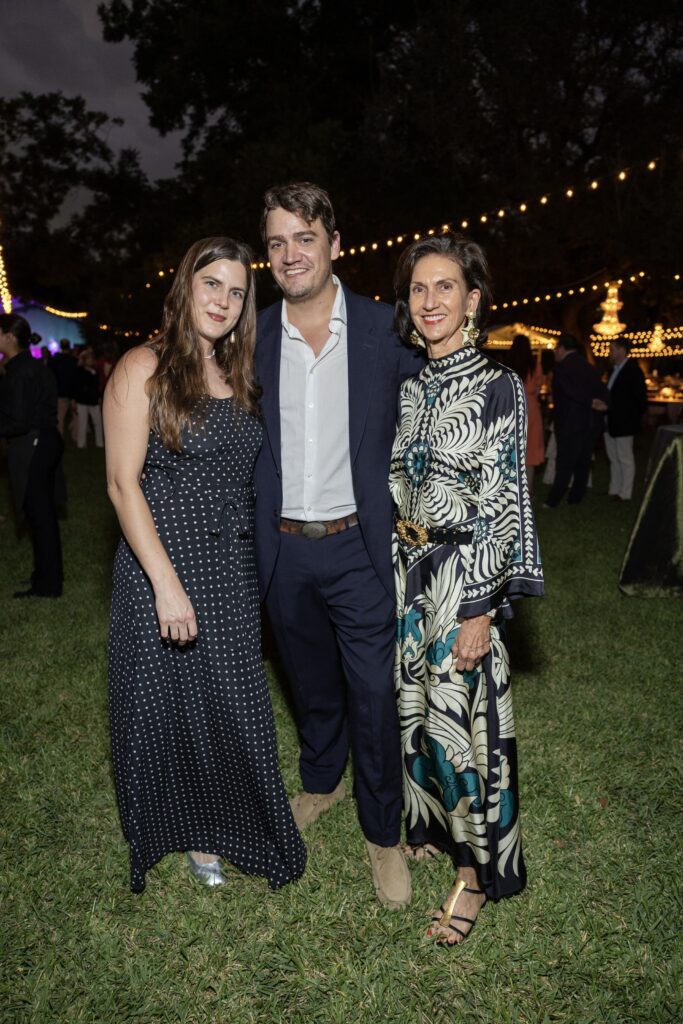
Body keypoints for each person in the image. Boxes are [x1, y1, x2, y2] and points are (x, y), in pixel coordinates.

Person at [104, 236, 306, 893]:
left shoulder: (241, 373)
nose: (222, 299)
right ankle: (188, 832)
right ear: (185, 286)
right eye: (211, 284)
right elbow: (120, 485)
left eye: (236, 290)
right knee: (168, 706)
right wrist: (165, 586)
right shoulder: (144, 365)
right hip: (162, 563)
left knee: (234, 702)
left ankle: (237, 823)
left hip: (231, 566)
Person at [254, 182, 423, 909]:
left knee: (371, 692)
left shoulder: (385, 331)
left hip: (360, 547)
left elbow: (441, 401)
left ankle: (382, 833)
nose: (290, 254)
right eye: (276, 242)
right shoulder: (251, 336)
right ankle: (320, 780)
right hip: (282, 548)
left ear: (335, 243)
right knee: (309, 680)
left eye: (304, 238)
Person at [390, 233, 544, 945]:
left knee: (463, 731)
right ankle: (431, 828)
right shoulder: (410, 386)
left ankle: (476, 877)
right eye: (418, 288)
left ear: (473, 299)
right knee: (418, 715)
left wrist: (481, 606)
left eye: (444, 286)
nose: (429, 301)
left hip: (460, 580)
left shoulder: (496, 386)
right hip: (406, 576)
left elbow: (504, 504)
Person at [0, 313, 64, 597]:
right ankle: (44, 577)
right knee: (42, 515)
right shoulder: (30, 366)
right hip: (44, 440)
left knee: (40, 516)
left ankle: (48, 585)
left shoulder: (20, 370)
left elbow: (19, 420)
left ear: (8, 336)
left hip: (34, 442)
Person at [544, 333, 607, 508]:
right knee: (583, 462)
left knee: (564, 463)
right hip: (589, 422)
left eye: (556, 348)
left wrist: (590, 402)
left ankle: (552, 501)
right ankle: (575, 498)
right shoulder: (590, 367)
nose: (555, 352)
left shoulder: (561, 367)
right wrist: (603, 403)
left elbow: (568, 390)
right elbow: (601, 388)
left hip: (569, 423)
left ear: (563, 348)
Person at [600, 338, 648, 501]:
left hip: (624, 422)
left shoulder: (633, 371)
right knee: (613, 458)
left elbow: (640, 400)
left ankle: (625, 493)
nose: (610, 352)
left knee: (625, 458)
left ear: (621, 350)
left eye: (612, 349)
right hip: (610, 420)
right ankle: (614, 489)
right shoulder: (614, 370)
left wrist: (630, 417)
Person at [508, 333, 545, 489]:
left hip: (511, 405)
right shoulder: (534, 364)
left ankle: (510, 489)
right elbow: (537, 388)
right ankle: (527, 490)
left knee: (511, 447)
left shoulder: (508, 364)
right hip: (530, 406)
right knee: (530, 449)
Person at [73, 347, 104, 448]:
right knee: (82, 423)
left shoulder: (94, 371)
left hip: (93, 401)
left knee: (98, 423)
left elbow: (96, 386)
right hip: (82, 401)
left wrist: (98, 397)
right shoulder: (80, 371)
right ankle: (81, 444)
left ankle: (99, 443)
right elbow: (78, 386)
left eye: (92, 358)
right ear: (85, 360)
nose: (91, 360)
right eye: (89, 358)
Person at [50, 339, 78, 436]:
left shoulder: (55, 360)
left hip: (60, 393)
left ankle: (60, 439)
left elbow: (52, 377)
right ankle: (76, 437)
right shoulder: (74, 360)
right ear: (69, 346)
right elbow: (75, 379)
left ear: (61, 346)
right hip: (72, 393)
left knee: (60, 418)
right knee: (76, 417)